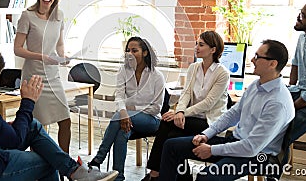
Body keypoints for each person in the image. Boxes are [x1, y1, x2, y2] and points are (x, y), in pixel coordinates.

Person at [0, 47, 118, 181]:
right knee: (47, 161)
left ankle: (77, 172)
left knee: (32, 125)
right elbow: (15, 141)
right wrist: (28, 102)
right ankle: (77, 172)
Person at [159, 40, 294, 181]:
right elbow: (233, 114)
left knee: (205, 177)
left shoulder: (277, 102)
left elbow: (251, 147)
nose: (253, 60)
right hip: (236, 143)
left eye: (257, 57)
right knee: (171, 146)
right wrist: (206, 135)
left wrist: (211, 150)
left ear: (273, 64)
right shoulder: (257, 85)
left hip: (257, 156)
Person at [141, 31, 230, 181]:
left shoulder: (222, 73)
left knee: (169, 128)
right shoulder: (194, 68)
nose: (196, 47)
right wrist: (180, 111)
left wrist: (182, 114)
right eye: (197, 44)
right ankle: (176, 176)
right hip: (191, 118)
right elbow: (186, 93)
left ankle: (155, 174)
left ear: (213, 50)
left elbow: (208, 103)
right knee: (170, 131)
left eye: (201, 45)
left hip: (209, 123)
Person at [89, 37, 165, 181]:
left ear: (145, 53)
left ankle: (98, 160)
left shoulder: (157, 76)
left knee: (119, 118)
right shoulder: (123, 71)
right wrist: (124, 112)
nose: (130, 53)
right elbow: (118, 96)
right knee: (122, 133)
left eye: (134, 50)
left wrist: (131, 109)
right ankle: (119, 176)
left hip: (152, 121)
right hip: (127, 119)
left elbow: (156, 108)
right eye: (128, 50)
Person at [14, 0, 71, 155]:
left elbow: (60, 44)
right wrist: (41, 56)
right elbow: (17, 49)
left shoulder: (59, 15)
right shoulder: (27, 16)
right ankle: (39, 164)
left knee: (66, 119)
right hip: (34, 77)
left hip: (53, 76)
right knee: (38, 124)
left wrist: (63, 56)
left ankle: (64, 163)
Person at [278, 0, 306, 170]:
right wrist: (288, 90)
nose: (298, 17)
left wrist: (291, 106)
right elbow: (295, 64)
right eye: (300, 11)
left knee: (281, 134)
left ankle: (273, 171)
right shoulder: (303, 38)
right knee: (267, 123)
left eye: (303, 15)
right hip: (300, 92)